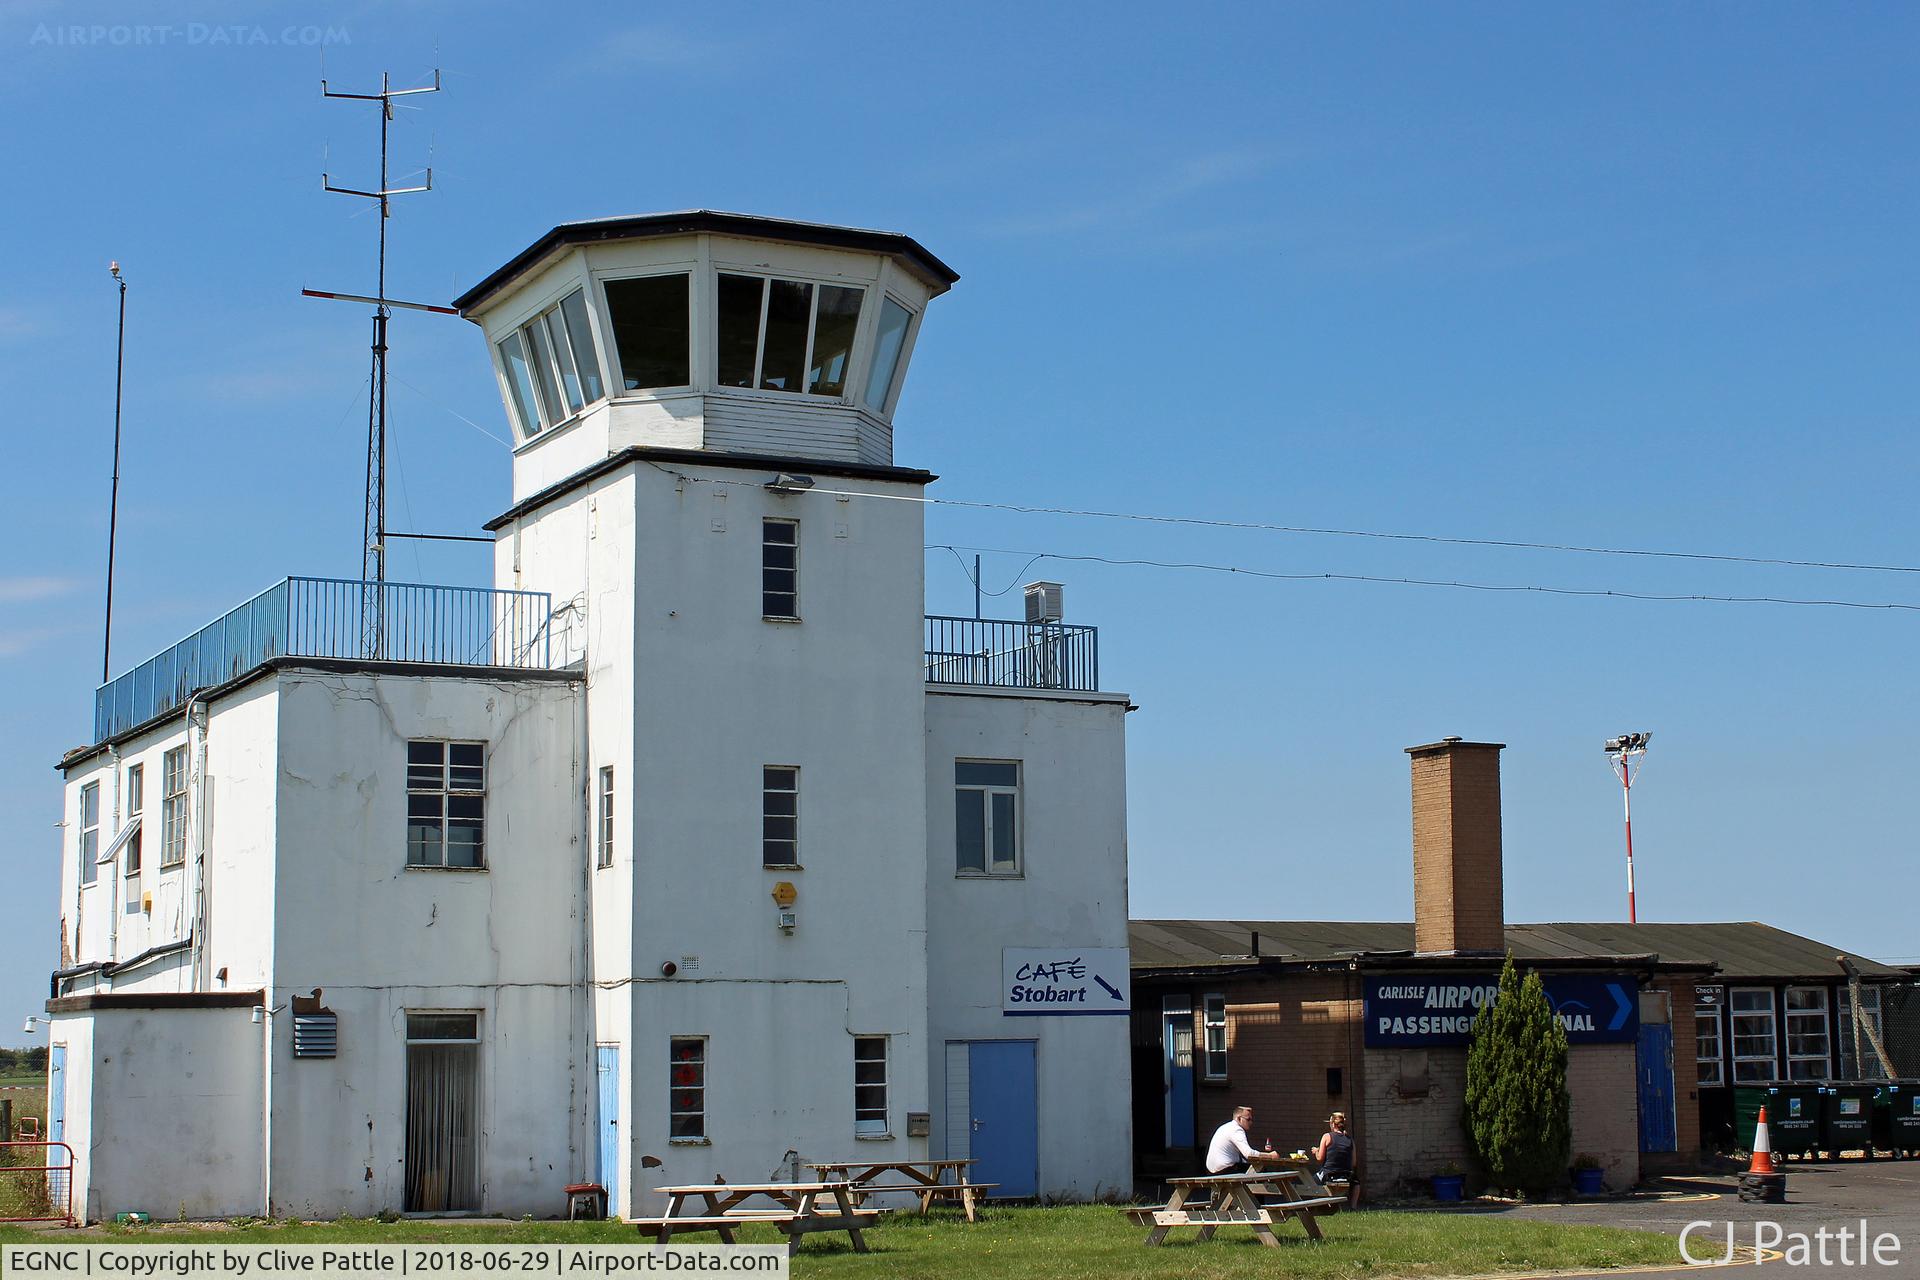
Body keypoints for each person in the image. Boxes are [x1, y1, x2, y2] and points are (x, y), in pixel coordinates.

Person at [1205, 1104, 1272, 1174]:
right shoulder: (1237, 1130)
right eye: (1248, 1119)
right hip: (1225, 1170)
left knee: (1252, 1168)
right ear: (1239, 1118)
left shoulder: (1226, 1127)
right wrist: (1270, 1156)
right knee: (1260, 1169)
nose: (1251, 1123)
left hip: (1211, 1171)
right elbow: (1249, 1154)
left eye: (1251, 1120)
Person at [1314, 1111, 1358, 1207]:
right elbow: (1354, 1163)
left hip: (1329, 1174)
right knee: (1356, 1182)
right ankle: (1353, 1207)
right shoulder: (1350, 1140)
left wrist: (1316, 1151)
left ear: (1333, 1124)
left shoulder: (1327, 1136)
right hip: (1346, 1175)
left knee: (1314, 1180)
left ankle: (1319, 1206)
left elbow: (1320, 1158)